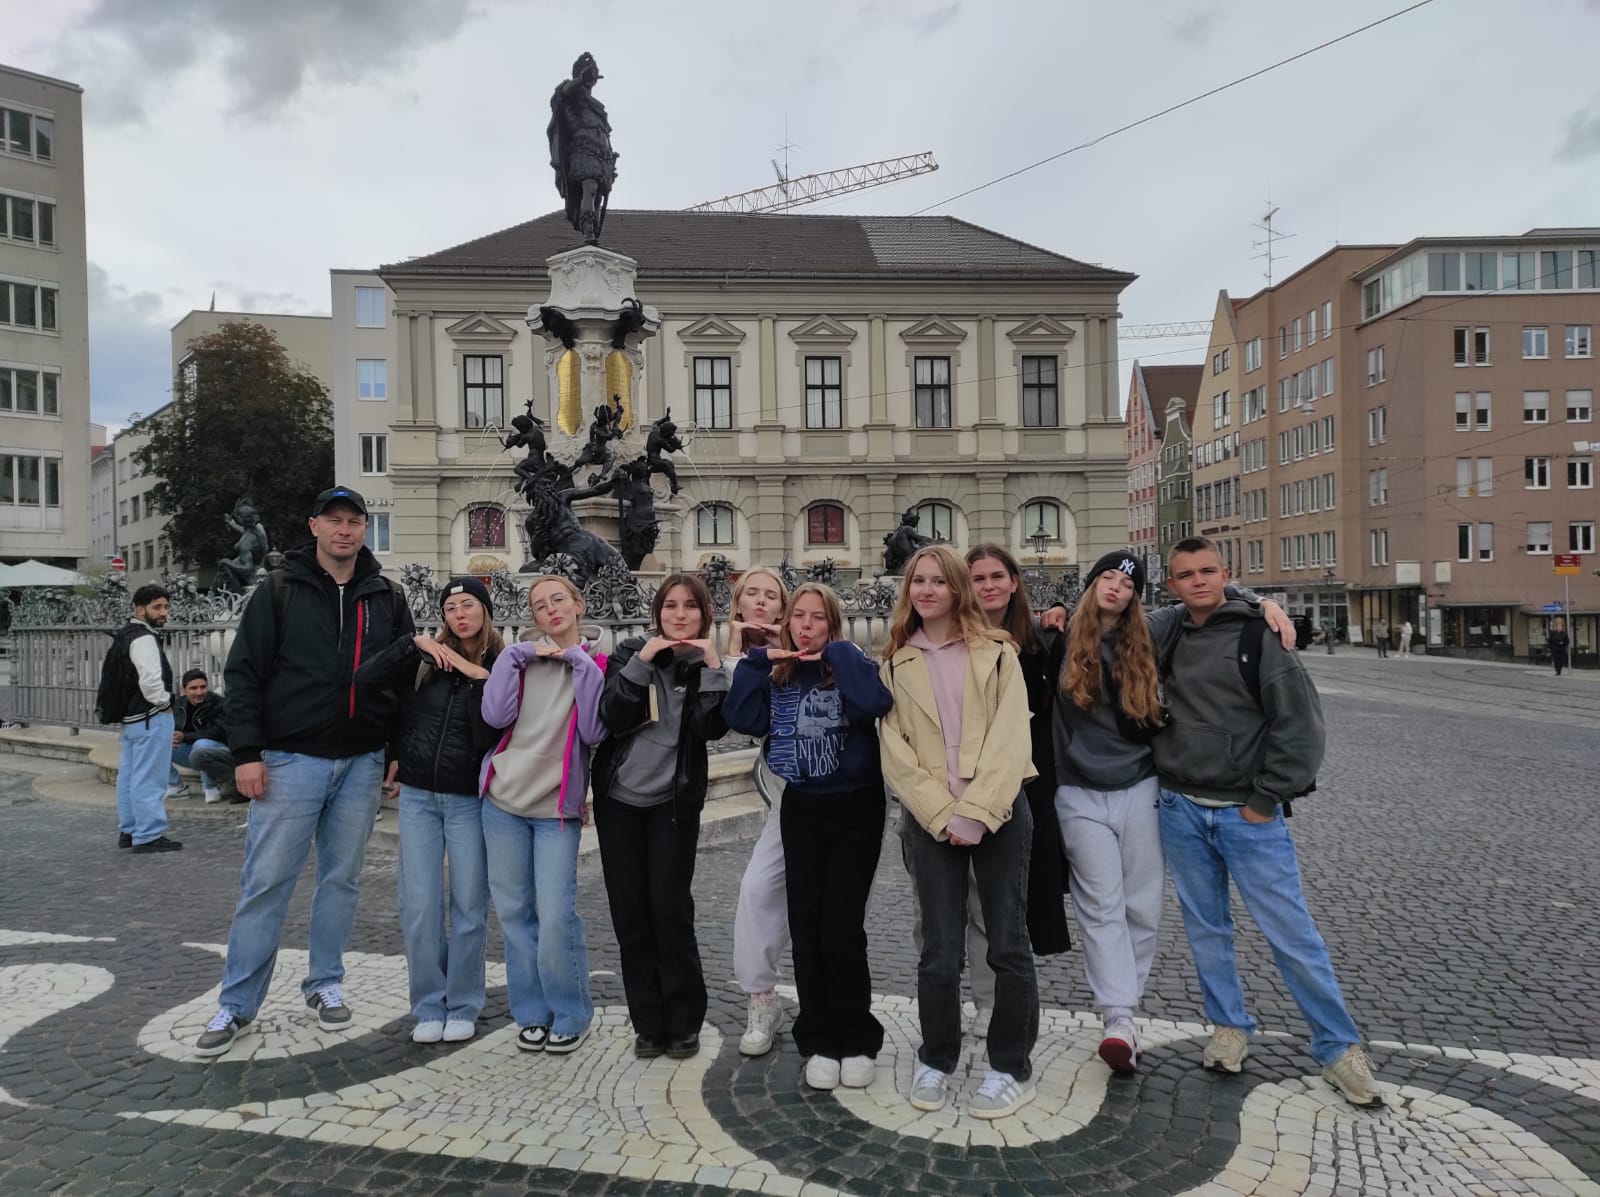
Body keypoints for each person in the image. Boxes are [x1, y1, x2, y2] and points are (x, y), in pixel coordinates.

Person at [1153, 536, 1382, 1108]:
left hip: (1246, 814)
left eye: (1208, 571)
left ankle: (1339, 1048)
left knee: (1291, 933)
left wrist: (1265, 799)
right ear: (1172, 584)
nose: (1198, 581)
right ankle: (1228, 1027)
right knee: (1207, 928)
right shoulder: (1170, 630)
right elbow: (1106, 609)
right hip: (1180, 805)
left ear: (1224, 575)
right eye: (1186, 575)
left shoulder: (1262, 634)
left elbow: (1301, 728)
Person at [195, 486, 415, 1058]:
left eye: (355, 521)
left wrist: (396, 746)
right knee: (266, 883)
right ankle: (237, 1003)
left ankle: (325, 982)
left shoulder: (385, 595)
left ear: (365, 529)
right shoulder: (280, 590)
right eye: (334, 521)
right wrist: (245, 752)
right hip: (289, 760)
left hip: (362, 760)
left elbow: (402, 678)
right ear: (315, 526)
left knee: (341, 880)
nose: (345, 530)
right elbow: (244, 674)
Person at [879, 544, 1038, 1120]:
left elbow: (1010, 740)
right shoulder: (896, 661)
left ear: (956, 590)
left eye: (937, 582)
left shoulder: (997, 654)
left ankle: (1010, 1065)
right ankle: (936, 1056)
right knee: (939, 950)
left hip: (996, 813)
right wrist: (942, 814)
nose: (925, 590)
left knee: (1006, 942)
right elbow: (893, 752)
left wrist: (975, 811)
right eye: (917, 581)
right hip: (931, 818)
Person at [725, 583, 894, 1092]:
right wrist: (756, 662)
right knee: (807, 924)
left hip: (856, 808)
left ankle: (857, 1036)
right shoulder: (778, 673)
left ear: (833, 623)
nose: (805, 625)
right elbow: (742, 718)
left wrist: (839, 650)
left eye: (818, 617)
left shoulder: (849, 662)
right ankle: (818, 1037)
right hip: (802, 807)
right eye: (798, 616)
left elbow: (874, 705)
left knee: (841, 928)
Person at [357, 576, 503, 1045]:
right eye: (450, 607)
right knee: (418, 904)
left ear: (484, 610)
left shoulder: (504, 661)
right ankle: (427, 1003)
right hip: (418, 795)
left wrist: (466, 668)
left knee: (468, 907)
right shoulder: (424, 661)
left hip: (467, 799)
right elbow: (365, 679)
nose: (459, 614)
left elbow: (494, 728)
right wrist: (410, 644)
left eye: (468, 604)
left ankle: (462, 1002)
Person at [592, 574, 730, 1060]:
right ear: (657, 612)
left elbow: (712, 728)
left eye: (690, 606)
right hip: (620, 803)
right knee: (631, 915)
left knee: (670, 911)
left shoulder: (703, 667)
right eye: (670, 605)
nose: (679, 614)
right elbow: (611, 714)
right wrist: (643, 661)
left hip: (672, 806)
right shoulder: (630, 653)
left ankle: (684, 1020)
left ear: (704, 614)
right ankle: (648, 1022)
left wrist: (712, 665)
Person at [480, 575, 606, 1055]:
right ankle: (531, 1012)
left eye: (559, 600)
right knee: (514, 913)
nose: (550, 610)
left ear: (578, 604)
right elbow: (494, 717)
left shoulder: (596, 662)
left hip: (556, 809)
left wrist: (579, 665)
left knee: (555, 914)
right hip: (503, 801)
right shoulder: (519, 660)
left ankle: (572, 1011)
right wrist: (514, 658)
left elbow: (594, 731)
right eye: (539, 606)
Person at [962, 546, 1073, 1034]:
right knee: (972, 899)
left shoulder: (1043, 638)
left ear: (1013, 581)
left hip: (1030, 781)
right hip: (969, 779)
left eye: (996, 576)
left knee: (1020, 896)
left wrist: (1259, 603)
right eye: (977, 577)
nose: (988, 585)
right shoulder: (954, 639)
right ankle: (988, 1001)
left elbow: (1112, 611)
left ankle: (1015, 1000)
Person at [724, 566, 795, 1057]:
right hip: (785, 796)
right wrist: (738, 649)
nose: (762, 601)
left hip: (833, 790)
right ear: (739, 604)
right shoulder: (737, 656)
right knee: (757, 889)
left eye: (772, 595)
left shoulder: (799, 646)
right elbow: (736, 715)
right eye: (752, 593)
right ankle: (762, 998)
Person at [110, 583, 183, 853]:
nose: (164, 612)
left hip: (132, 718)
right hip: (151, 716)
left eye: (166, 606)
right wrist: (165, 703)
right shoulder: (144, 638)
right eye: (157, 607)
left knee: (129, 775)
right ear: (141, 610)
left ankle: (129, 830)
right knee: (149, 777)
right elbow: (151, 681)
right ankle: (148, 834)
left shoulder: (126, 634)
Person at [170, 669, 231, 804]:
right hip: (189, 752)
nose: (199, 692)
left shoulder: (219, 703)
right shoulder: (178, 704)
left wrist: (184, 736)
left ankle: (210, 788)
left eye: (202, 687)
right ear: (184, 689)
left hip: (216, 752)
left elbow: (217, 732)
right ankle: (176, 786)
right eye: (193, 688)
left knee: (201, 744)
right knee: (158, 742)